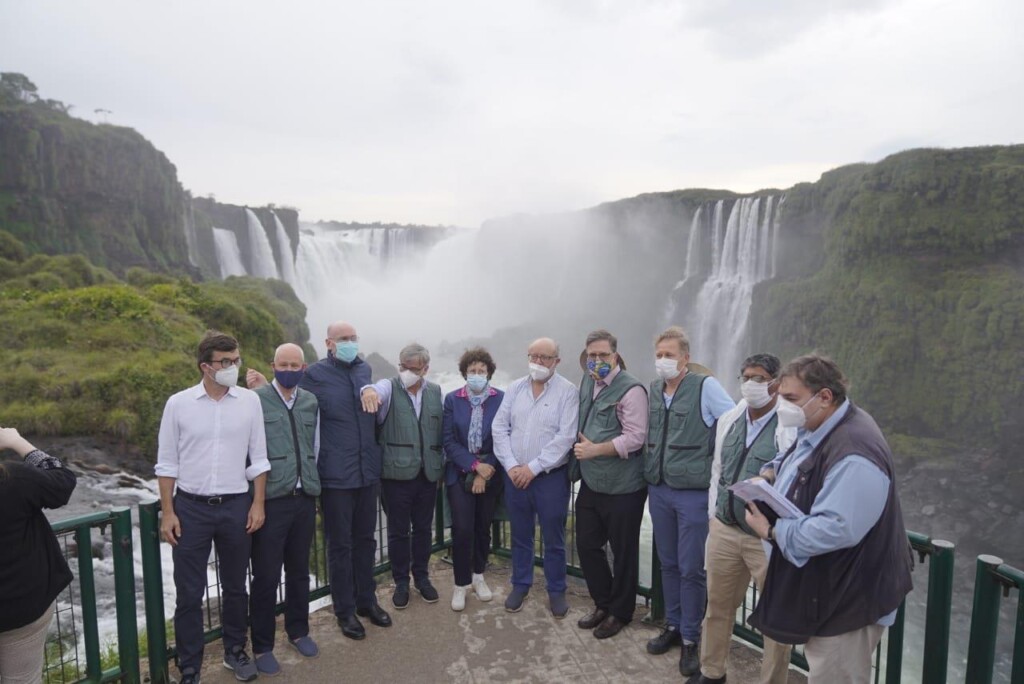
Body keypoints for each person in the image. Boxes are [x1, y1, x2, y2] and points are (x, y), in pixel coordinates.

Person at [745, 355, 913, 684]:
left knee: (835, 673)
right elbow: (796, 452)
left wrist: (771, 531)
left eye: (791, 399)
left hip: (850, 598)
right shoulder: (822, 424)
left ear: (824, 396)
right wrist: (771, 472)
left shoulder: (855, 451)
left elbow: (836, 529)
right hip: (831, 588)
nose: (782, 407)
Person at [156, 331, 270, 684]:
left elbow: (259, 457)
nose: (233, 366)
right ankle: (189, 667)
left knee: (236, 586)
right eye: (226, 362)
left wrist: (258, 503)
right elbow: (166, 463)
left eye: (236, 359)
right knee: (189, 592)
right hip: (190, 508)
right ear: (206, 366)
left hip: (237, 505)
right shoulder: (178, 403)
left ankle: (235, 651)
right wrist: (168, 512)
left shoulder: (250, 402)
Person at [688, 353, 795, 684]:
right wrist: (712, 517)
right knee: (717, 607)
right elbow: (717, 471)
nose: (751, 384)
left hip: (766, 537)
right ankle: (711, 671)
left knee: (775, 619)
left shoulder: (789, 424)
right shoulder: (730, 418)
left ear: (776, 384)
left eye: (760, 379)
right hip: (724, 528)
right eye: (746, 377)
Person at [643, 326, 735, 675]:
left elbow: (731, 425)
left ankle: (692, 639)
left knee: (692, 568)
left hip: (694, 494)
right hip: (660, 490)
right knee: (668, 563)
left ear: (686, 357)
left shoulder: (705, 386)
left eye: (670, 354)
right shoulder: (654, 390)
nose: (663, 360)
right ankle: (673, 625)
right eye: (659, 354)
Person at [290, 321, 390, 640]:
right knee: (339, 545)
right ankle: (344, 611)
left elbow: (377, 395)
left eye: (353, 338)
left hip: (366, 471)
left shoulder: (364, 369)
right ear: (329, 343)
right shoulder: (315, 375)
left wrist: (373, 388)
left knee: (366, 540)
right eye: (343, 339)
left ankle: (367, 601)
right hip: (335, 475)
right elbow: (294, 404)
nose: (350, 343)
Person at [248, 343, 322, 676]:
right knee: (265, 575)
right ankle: (262, 645)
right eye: (283, 364)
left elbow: (314, 446)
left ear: (303, 367)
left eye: (295, 364)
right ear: (272, 364)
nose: (289, 369)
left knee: (298, 572)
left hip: (304, 498)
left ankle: (298, 630)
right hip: (271, 501)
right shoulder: (256, 400)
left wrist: (311, 482)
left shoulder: (310, 401)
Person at [492, 337, 578, 618]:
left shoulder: (568, 392)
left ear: (557, 361)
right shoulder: (515, 388)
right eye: (534, 356)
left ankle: (556, 591)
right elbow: (499, 429)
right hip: (515, 475)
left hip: (550, 478)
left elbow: (565, 437)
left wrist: (533, 468)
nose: (538, 362)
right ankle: (521, 585)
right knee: (521, 534)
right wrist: (512, 466)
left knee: (553, 537)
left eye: (545, 357)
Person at [572, 329, 649, 640]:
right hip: (593, 482)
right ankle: (602, 603)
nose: (597, 360)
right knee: (588, 545)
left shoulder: (631, 390)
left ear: (615, 356)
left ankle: (620, 612)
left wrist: (595, 450)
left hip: (624, 488)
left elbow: (635, 437)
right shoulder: (587, 383)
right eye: (592, 355)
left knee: (623, 551)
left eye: (603, 355)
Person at [360, 344, 444, 609]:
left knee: (423, 530)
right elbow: (373, 390)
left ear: (425, 369)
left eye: (413, 368)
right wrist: (369, 390)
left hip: (426, 475)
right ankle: (401, 582)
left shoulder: (435, 392)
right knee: (398, 532)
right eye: (403, 367)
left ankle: (422, 577)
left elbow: (438, 430)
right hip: (395, 476)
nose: (407, 372)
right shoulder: (389, 386)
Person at [0, 427, 77, 684]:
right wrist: (18, 443)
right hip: (23, 605)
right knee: (23, 679)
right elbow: (63, 481)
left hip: (23, 606)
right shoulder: (13, 478)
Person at [442, 348, 505, 611]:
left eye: (481, 371)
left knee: (482, 527)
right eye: (472, 371)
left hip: (491, 472)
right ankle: (460, 583)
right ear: (465, 373)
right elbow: (448, 440)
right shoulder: (452, 400)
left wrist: (485, 469)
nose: (477, 375)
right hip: (460, 472)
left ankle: (479, 575)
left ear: (489, 372)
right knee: (462, 529)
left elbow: (504, 436)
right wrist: (474, 466)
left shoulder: (501, 399)